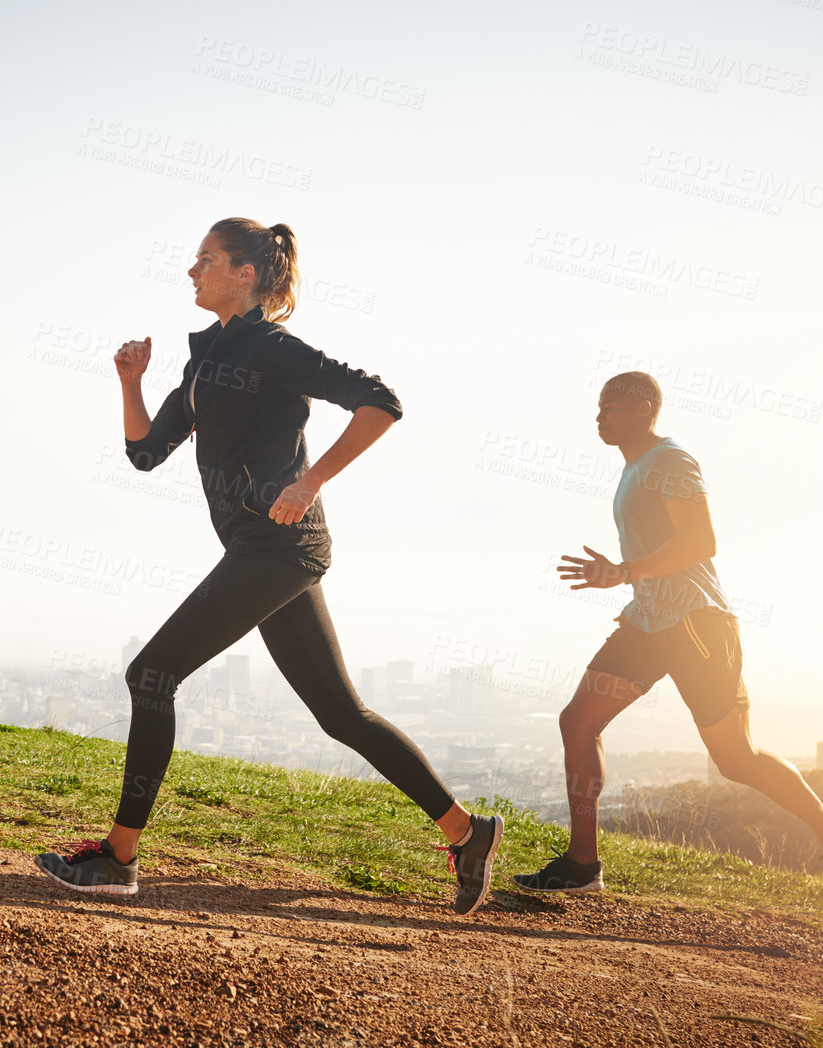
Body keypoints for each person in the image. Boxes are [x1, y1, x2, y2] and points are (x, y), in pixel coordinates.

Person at [33, 218, 503, 914]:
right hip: (260, 550)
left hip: (279, 547)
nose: (193, 272)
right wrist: (130, 383)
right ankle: (467, 832)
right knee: (342, 715)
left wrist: (311, 482)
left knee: (151, 674)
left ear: (245, 275)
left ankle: (118, 858)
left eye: (207, 261)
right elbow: (145, 451)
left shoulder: (275, 349)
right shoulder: (204, 363)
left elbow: (382, 404)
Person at [511, 372, 823, 909]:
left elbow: (701, 541)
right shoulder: (633, 468)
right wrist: (634, 597)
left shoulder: (671, 461)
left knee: (735, 759)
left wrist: (623, 572)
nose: (598, 416)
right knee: (578, 721)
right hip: (648, 623)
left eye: (607, 406)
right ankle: (583, 863)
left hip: (697, 626)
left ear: (641, 407)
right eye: (598, 407)